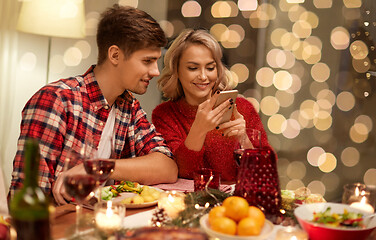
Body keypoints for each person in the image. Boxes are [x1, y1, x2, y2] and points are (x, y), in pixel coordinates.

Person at [9, 5, 178, 205]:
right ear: (114, 55)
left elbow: (168, 168)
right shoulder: (57, 100)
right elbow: (25, 203)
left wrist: (99, 167)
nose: (156, 71)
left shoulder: (128, 107)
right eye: (147, 61)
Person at [152, 29, 274, 181]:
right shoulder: (164, 114)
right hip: (188, 202)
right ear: (176, 70)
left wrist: (244, 139)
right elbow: (182, 172)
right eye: (193, 68)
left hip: (235, 202)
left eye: (210, 68)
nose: (203, 76)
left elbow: (267, 171)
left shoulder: (242, 107)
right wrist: (199, 129)